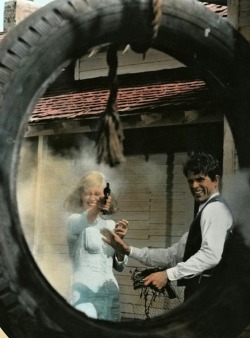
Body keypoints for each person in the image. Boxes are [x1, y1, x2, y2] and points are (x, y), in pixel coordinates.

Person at [101, 152, 233, 300]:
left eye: (200, 179)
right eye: (190, 181)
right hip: (203, 296)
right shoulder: (206, 211)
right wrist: (128, 249)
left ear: (216, 180)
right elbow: (171, 255)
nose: (195, 185)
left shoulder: (214, 209)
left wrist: (168, 275)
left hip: (211, 296)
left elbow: (210, 255)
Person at [64, 171, 128, 321]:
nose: (92, 198)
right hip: (84, 295)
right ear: (80, 196)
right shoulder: (74, 222)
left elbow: (119, 266)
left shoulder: (111, 225)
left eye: (97, 193)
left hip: (110, 293)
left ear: (105, 196)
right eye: (88, 193)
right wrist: (97, 207)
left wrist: (120, 243)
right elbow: (85, 220)